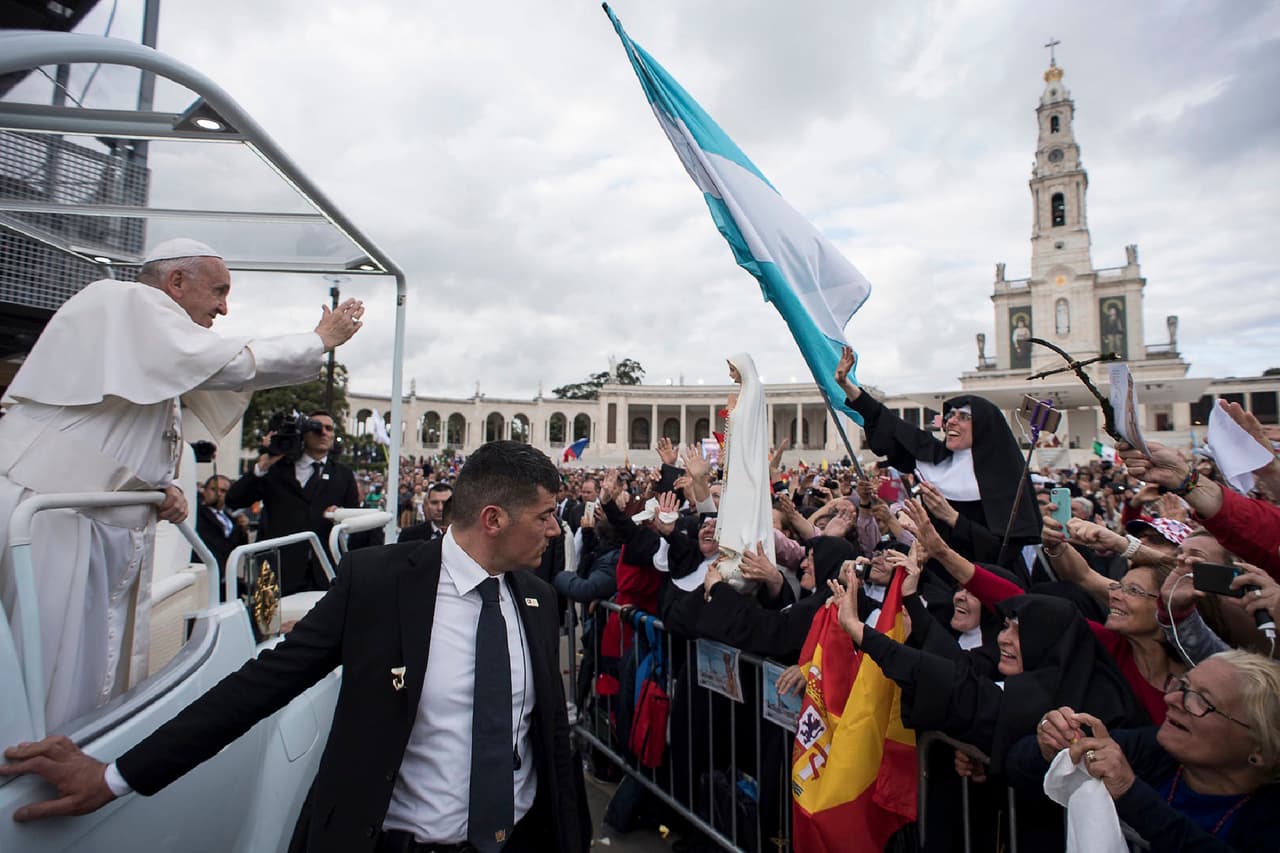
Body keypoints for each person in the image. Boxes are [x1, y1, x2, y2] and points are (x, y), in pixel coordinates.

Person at [1, 440, 591, 853]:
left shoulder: (537, 598)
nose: (554, 529)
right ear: (492, 518)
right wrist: (114, 777)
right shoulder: (379, 584)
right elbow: (260, 687)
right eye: (543, 516)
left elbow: (549, 741)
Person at [0, 237, 363, 732]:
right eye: (218, 291)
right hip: (57, 521)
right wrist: (317, 340)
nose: (224, 307)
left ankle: (75, 751)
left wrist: (158, 488)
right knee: (47, 663)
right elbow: (228, 365)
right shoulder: (123, 302)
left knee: (88, 667)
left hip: (96, 522)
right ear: (175, 281)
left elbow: (127, 438)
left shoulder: (147, 337)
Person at [1009, 650, 1280, 850]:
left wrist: (1130, 793)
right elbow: (1018, 766)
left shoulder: (1268, 817)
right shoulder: (1152, 751)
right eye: (1182, 686)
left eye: (1200, 701)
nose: (1172, 699)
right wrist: (1050, 747)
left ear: (1261, 750)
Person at [833, 346, 1042, 573]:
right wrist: (846, 384)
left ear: (983, 427)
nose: (951, 421)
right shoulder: (934, 457)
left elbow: (1002, 550)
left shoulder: (1006, 479)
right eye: (950, 415)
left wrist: (952, 518)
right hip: (938, 577)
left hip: (987, 579)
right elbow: (887, 422)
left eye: (963, 417)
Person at [225, 411, 361, 594]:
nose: (323, 433)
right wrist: (262, 466)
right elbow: (234, 499)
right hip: (277, 570)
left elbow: (355, 518)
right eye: (316, 428)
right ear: (303, 433)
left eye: (329, 428)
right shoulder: (277, 469)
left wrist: (340, 514)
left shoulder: (343, 475)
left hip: (324, 571)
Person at [714, 353, 775, 592]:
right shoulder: (746, 392)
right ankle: (733, 547)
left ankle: (743, 548)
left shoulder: (754, 389)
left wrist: (731, 410)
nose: (730, 374)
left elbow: (745, 426)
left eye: (732, 368)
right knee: (736, 504)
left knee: (745, 506)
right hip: (739, 462)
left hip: (746, 463)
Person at [192, 474, 248, 590]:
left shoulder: (231, 520)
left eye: (223, 491)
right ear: (204, 490)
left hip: (224, 578)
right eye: (213, 489)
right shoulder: (196, 513)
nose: (218, 494)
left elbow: (238, 546)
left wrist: (242, 528)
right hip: (204, 577)